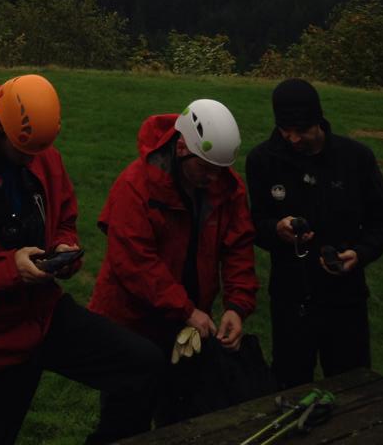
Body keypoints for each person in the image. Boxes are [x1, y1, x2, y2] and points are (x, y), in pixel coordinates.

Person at [0, 73, 165, 445]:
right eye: (24, 150)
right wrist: (8, 269)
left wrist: (63, 247)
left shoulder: (43, 158)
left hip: (44, 318)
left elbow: (64, 217)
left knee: (143, 365)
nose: (33, 159)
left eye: (40, 150)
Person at [88, 98, 259, 425]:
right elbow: (135, 263)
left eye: (219, 170)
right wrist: (186, 309)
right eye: (205, 169)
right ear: (182, 148)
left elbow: (238, 247)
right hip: (132, 323)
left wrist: (237, 306)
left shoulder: (226, 188)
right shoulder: (137, 185)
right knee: (125, 421)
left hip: (188, 323)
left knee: (183, 416)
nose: (212, 178)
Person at [245, 78, 383, 389]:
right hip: (291, 299)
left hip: (345, 300)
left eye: (302, 130)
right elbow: (254, 223)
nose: (293, 138)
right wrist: (276, 229)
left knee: (353, 388)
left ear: (319, 120)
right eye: (286, 130)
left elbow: (382, 221)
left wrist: (360, 254)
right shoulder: (263, 161)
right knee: (290, 387)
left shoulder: (356, 159)